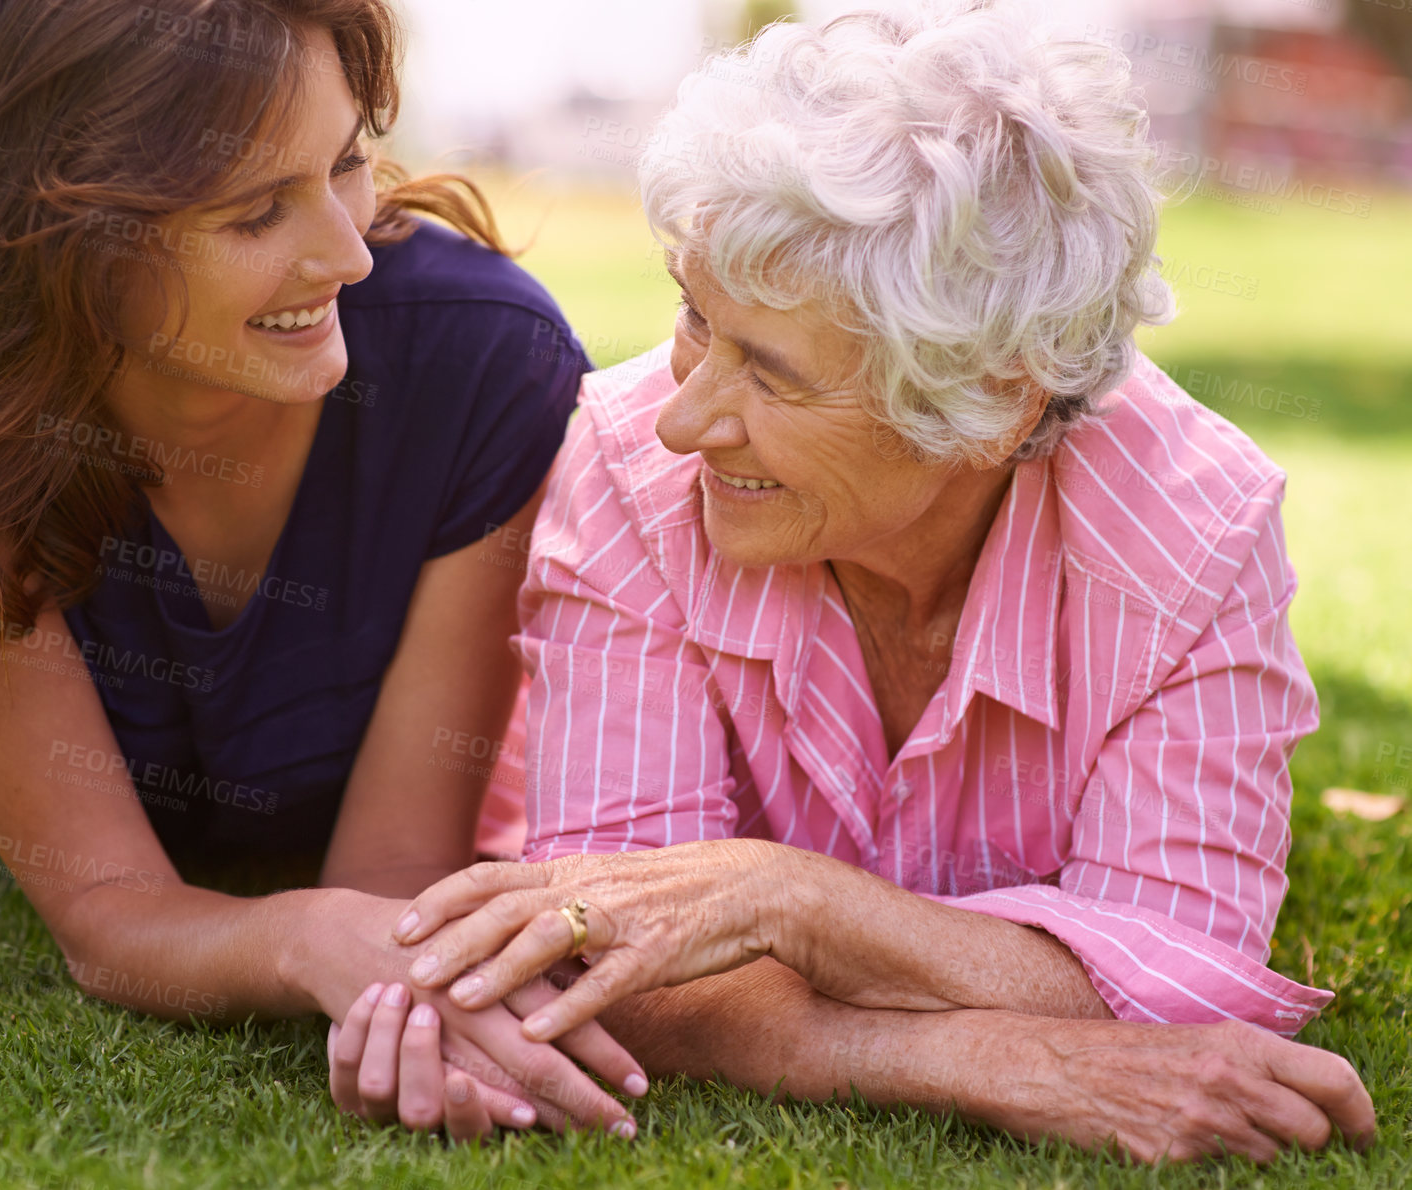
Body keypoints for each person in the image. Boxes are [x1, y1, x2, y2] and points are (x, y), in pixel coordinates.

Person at [334, 1, 1377, 1162]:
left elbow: (1177, 981)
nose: (683, 418)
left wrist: (785, 902)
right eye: (693, 317)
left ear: (992, 403)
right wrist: (991, 1053)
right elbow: (612, 953)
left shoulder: (1194, 534)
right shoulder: (631, 465)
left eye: (771, 377)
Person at [0, 0, 645, 1142]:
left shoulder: (483, 366)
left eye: (347, 162)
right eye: (258, 211)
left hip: (284, 785)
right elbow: (111, 918)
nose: (345, 251)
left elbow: (387, 883)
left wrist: (407, 986)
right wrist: (306, 938)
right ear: (59, 239)